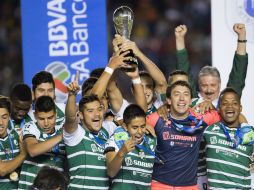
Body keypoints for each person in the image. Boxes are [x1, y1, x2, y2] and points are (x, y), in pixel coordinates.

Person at [146, 81, 220, 190]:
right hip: (159, 185)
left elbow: (232, 117)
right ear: (169, 100)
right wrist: (143, 126)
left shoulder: (201, 119)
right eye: (176, 94)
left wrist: (212, 106)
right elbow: (134, 125)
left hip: (189, 186)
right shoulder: (158, 118)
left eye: (186, 94)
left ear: (190, 100)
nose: (182, 98)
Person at [175, 23, 248, 106]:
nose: (209, 90)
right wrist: (179, 38)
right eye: (204, 85)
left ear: (220, 84)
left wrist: (241, 37)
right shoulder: (192, 102)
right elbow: (183, 74)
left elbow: (238, 75)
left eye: (213, 85)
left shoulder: (227, 103)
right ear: (198, 85)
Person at [63, 72, 110, 189]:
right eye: (90, 111)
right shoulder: (75, 133)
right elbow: (70, 118)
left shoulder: (106, 132)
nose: (97, 114)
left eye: (99, 109)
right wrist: (72, 95)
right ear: (81, 115)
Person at [204, 87, 254, 189]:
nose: (230, 106)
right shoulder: (208, 131)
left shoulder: (251, 134)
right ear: (218, 109)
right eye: (225, 103)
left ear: (240, 108)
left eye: (234, 103)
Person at [18, 96, 66, 190]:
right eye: (41, 119)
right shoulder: (30, 127)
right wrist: (62, 136)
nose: (46, 123)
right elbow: (33, 150)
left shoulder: (62, 130)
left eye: (50, 117)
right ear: (35, 115)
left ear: (56, 114)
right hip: (30, 186)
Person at [105, 104, 156, 189]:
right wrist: (122, 152)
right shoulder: (116, 140)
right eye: (135, 127)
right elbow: (111, 172)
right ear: (125, 127)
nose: (139, 131)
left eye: (143, 126)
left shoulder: (152, 141)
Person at [0, 97, 27, 189]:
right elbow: (2, 170)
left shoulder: (18, 134)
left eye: (4, 117)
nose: (0, 122)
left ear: (9, 116)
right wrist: (23, 155)